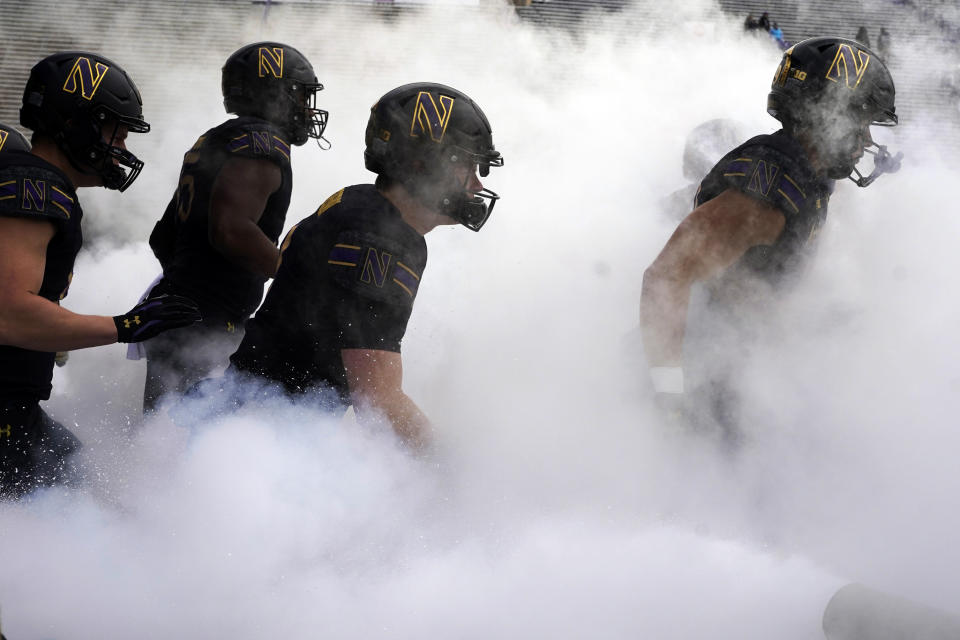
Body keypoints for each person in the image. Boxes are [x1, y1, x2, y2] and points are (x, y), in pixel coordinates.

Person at [640, 37, 900, 441]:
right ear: (829, 115)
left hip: (731, 369)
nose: (867, 140)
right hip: (702, 376)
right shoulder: (768, 189)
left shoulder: (807, 178)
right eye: (861, 121)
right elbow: (666, 277)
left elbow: (749, 289)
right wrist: (671, 397)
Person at [225, 82, 504, 449]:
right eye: (467, 166)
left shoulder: (363, 205)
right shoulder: (383, 238)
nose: (476, 183)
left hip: (251, 420)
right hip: (259, 437)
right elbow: (377, 400)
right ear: (425, 162)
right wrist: (453, 465)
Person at [0, 52, 201, 499]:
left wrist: (53, 331)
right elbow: (9, 314)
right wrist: (124, 327)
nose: (122, 149)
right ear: (78, 123)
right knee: (72, 518)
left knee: (83, 490)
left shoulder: (33, 181)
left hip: (18, 411)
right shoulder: (36, 185)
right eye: (118, 133)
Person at [139, 42, 328, 414]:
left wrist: (189, 285)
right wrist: (295, 280)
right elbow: (231, 230)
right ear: (277, 92)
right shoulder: (262, 142)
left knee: (160, 442)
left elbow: (163, 237)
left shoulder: (215, 139)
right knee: (191, 450)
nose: (307, 107)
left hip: (180, 319)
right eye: (301, 95)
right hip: (205, 325)